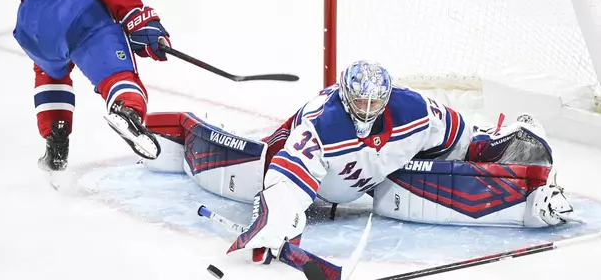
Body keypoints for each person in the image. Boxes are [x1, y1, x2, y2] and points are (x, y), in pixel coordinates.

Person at [141, 60, 575, 265]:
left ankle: (523, 197)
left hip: (372, 177)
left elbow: (461, 140)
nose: (368, 108)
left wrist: (494, 154)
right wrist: (274, 221)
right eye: (359, 100)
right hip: (312, 172)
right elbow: (287, 181)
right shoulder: (320, 124)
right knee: (261, 169)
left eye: (375, 100)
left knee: (407, 191)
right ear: (346, 96)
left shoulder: (417, 110)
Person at [10, 0, 171, 173]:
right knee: (113, 62)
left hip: (31, 12)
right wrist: (138, 20)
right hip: (75, 2)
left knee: (51, 68)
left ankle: (55, 141)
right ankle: (128, 110)